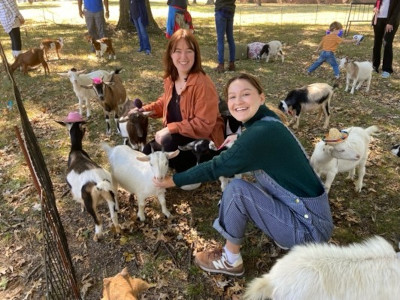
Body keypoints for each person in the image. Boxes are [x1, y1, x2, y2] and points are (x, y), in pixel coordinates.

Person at [153, 73, 334, 276]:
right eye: (232, 97)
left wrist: (172, 181)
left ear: (261, 97)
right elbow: (252, 146)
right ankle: (284, 231)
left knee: (237, 190)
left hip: (309, 230)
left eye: (245, 94)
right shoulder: (269, 120)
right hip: (315, 217)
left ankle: (231, 260)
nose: (238, 101)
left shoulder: (259, 134)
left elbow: (216, 167)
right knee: (247, 186)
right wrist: (239, 141)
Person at [130, 29, 225, 174]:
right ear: (170, 54)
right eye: (178, 51)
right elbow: (167, 102)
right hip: (179, 137)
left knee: (166, 146)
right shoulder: (171, 78)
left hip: (203, 144)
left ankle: (194, 172)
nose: (183, 57)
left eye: (189, 51)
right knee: (148, 150)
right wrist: (144, 110)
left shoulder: (203, 84)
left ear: (196, 54)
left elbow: (204, 125)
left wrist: (170, 128)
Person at [372, 0, 400, 78]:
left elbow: (397, 9)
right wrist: (375, 8)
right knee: (377, 43)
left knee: (387, 43)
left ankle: (387, 69)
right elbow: (378, 3)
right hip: (378, 19)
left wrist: (390, 22)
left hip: (390, 21)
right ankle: (374, 66)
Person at [214, 0, 236, 73]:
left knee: (220, 39)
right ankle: (232, 64)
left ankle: (221, 65)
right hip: (230, 10)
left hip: (221, 9)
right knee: (230, 38)